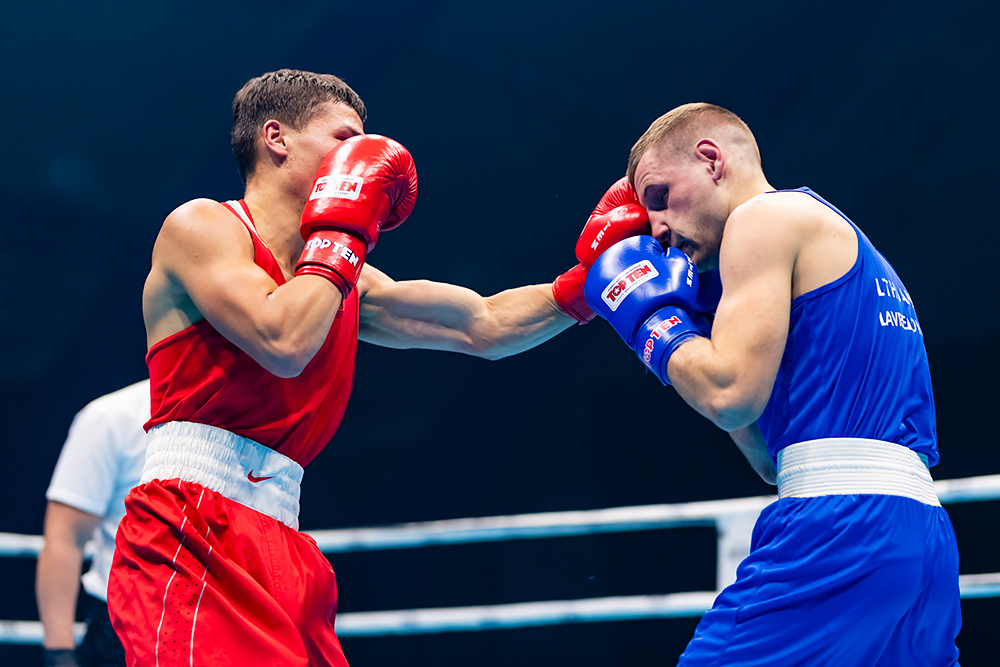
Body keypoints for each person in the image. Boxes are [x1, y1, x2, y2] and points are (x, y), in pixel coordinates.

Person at [106, 69, 650, 667]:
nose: (361, 158)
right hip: (190, 523)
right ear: (276, 137)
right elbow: (281, 340)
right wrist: (340, 239)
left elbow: (483, 324)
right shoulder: (203, 226)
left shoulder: (342, 278)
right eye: (344, 139)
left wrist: (589, 284)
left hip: (281, 536)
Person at [583, 102, 961, 665]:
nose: (656, 227)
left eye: (659, 195)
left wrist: (652, 322)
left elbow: (728, 397)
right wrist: (701, 329)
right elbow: (767, 456)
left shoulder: (760, 218)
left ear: (711, 160)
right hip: (922, 535)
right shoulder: (843, 244)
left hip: (838, 528)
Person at [36, 380, 149, 667]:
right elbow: (65, 537)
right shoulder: (112, 417)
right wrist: (59, 655)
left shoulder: (252, 415)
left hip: (228, 623)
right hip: (123, 629)